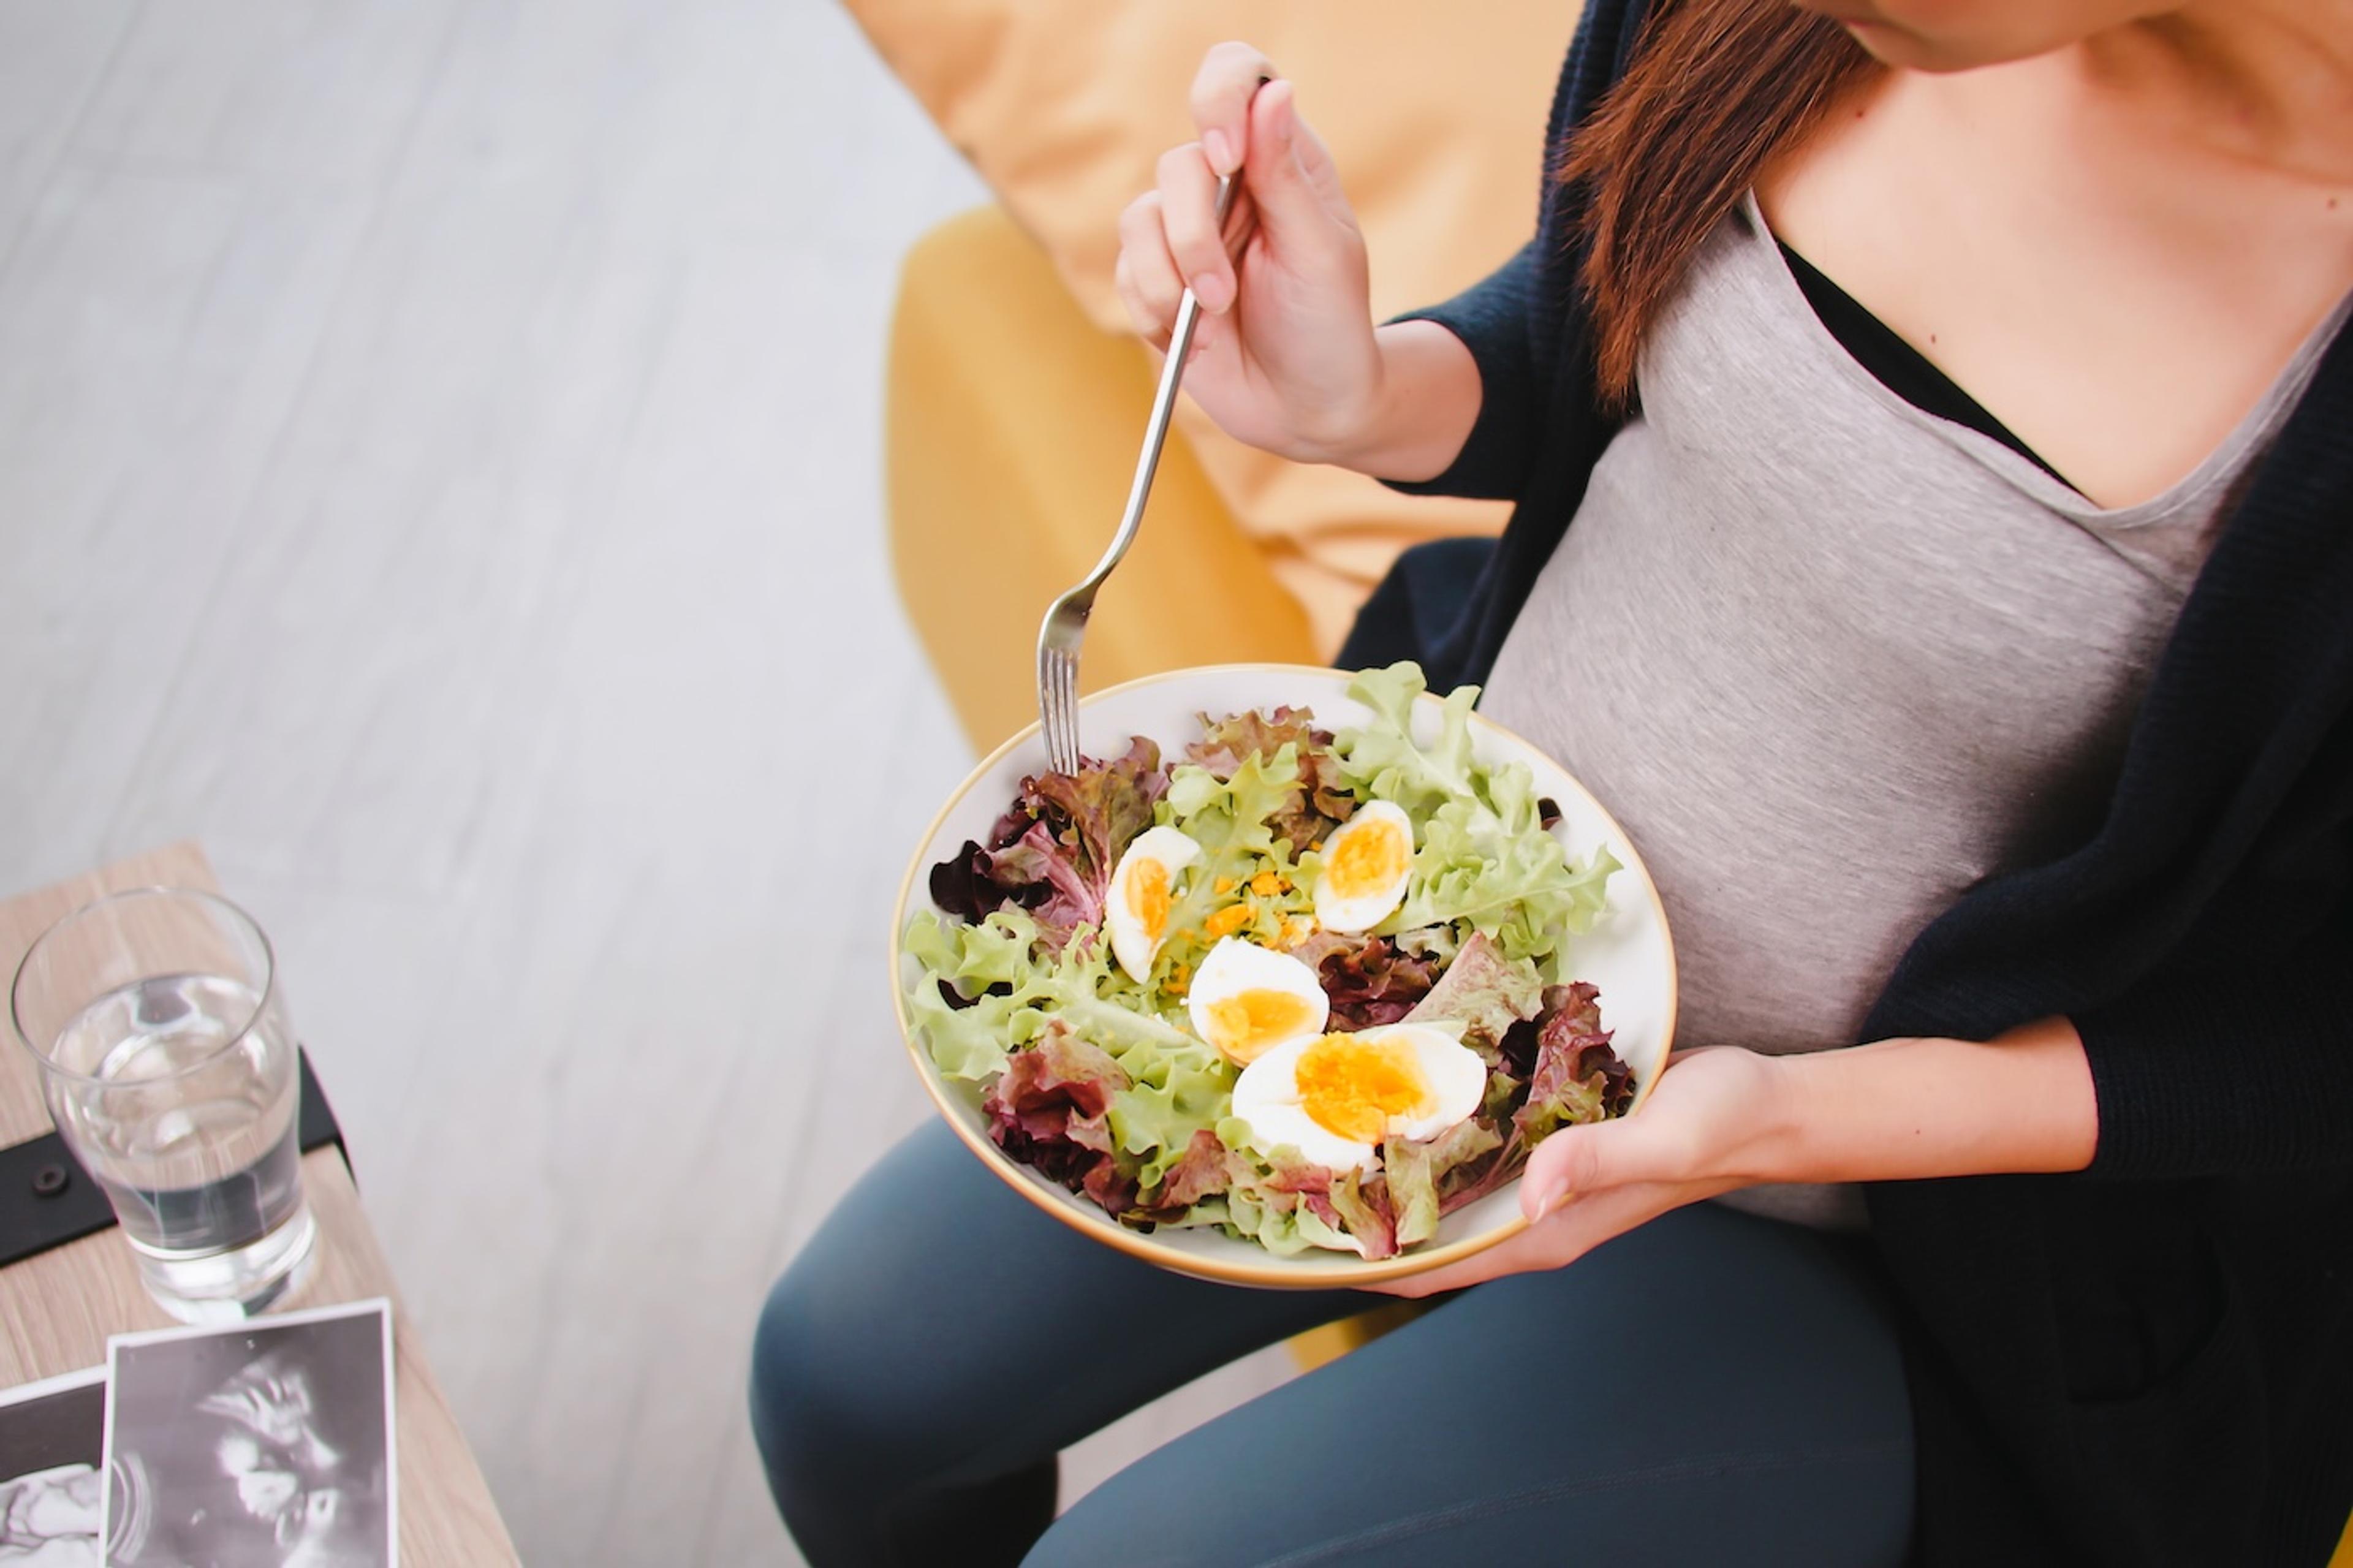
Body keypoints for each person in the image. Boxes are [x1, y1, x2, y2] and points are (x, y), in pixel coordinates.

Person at [752, 1, 2353, 1562]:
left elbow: (2303, 1033)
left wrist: (1787, 1122)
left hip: (1872, 1227)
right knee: (842, 1380)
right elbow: (1612, 335)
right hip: (1413, 957)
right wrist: (1362, 392)